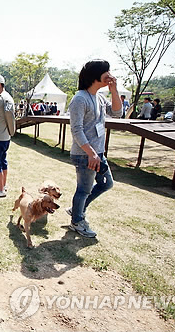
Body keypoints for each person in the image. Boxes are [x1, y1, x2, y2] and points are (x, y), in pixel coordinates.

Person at [67, 59, 122, 238]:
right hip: (85, 154)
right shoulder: (79, 98)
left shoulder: (99, 97)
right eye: (106, 71)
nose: (110, 74)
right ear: (96, 75)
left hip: (97, 153)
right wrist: (91, 153)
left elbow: (117, 112)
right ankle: (77, 221)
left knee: (107, 183)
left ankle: (77, 210)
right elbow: (76, 130)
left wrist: (114, 90)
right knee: (83, 189)